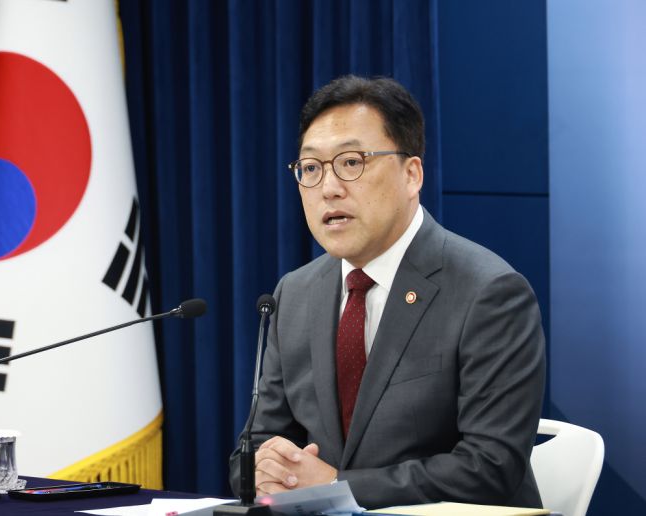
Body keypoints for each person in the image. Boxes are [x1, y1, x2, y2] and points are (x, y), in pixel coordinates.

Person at [228, 75, 546, 509]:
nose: (329, 188)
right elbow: (256, 447)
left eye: (352, 162)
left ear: (411, 174)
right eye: (311, 168)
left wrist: (337, 486)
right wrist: (264, 469)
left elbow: (490, 466)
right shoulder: (295, 294)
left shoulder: (488, 292)